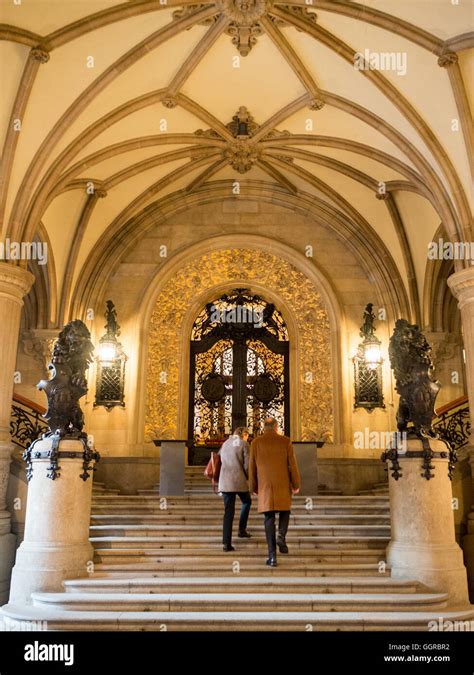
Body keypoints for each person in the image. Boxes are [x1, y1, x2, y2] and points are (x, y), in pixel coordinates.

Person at [249, 417, 300, 567]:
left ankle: (272, 557)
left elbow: (252, 468)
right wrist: (295, 483)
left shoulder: (256, 442)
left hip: (265, 486)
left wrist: (253, 487)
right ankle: (281, 536)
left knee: (269, 518)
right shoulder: (285, 441)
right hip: (282, 483)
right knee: (285, 511)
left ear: (264, 428)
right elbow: (293, 465)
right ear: (277, 427)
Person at [218, 427, 252, 552]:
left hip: (225, 482)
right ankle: (241, 530)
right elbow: (247, 465)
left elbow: (220, 460)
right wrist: (250, 478)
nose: (247, 438)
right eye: (247, 435)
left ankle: (226, 543)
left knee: (228, 512)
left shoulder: (225, 443)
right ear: (244, 434)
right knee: (247, 501)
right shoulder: (244, 444)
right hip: (238, 481)